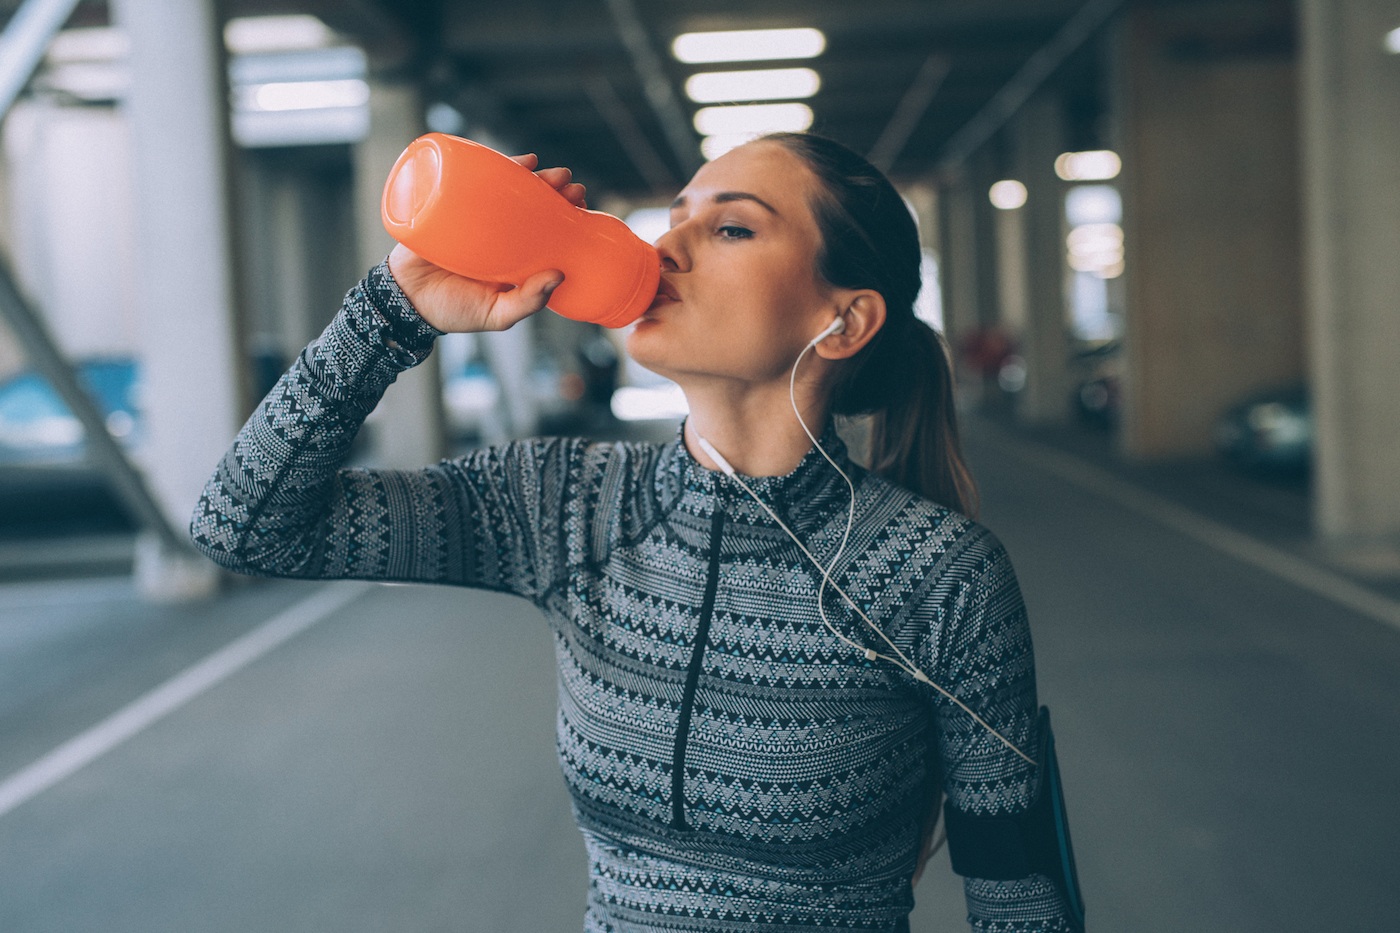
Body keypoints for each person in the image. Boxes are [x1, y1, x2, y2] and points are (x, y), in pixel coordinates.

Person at [190, 132, 1078, 932]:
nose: (663, 247)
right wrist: (392, 312)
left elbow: (1018, 894)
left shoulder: (940, 573)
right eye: (673, 216)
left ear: (842, 321)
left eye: (731, 228)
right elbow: (245, 526)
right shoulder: (560, 501)